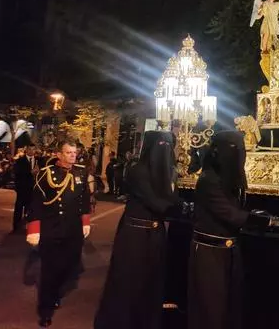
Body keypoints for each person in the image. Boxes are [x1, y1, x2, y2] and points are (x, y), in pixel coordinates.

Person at [94, 131, 186, 329]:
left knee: (151, 282)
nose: (165, 150)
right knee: (129, 282)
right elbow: (157, 202)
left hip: (155, 234)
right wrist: (180, 207)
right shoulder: (138, 171)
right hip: (135, 235)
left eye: (168, 145)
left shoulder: (167, 171)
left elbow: (170, 198)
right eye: (161, 144)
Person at [188, 130, 278, 329]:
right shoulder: (209, 180)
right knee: (211, 309)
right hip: (210, 253)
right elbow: (229, 213)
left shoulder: (228, 178)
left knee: (229, 308)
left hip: (229, 250)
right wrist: (264, 221)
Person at [26, 140, 91, 328]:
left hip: (73, 230)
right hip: (51, 229)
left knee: (69, 267)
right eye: (69, 152)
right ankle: (45, 311)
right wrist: (34, 230)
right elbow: (36, 204)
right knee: (49, 272)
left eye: (74, 152)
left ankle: (55, 292)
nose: (73, 155)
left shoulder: (80, 172)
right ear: (59, 154)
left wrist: (85, 222)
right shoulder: (45, 175)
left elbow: (84, 199)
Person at [12, 144, 38, 231]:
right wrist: (30, 172)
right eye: (30, 149)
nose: (31, 151)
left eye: (33, 149)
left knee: (30, 208)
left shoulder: (38, 160)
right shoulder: (20, 161)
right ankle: (16, 226)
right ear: (26, 150)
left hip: (33, 189)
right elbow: (17, 174)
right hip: (22, 188)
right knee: (19, 208)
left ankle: (27, 226)